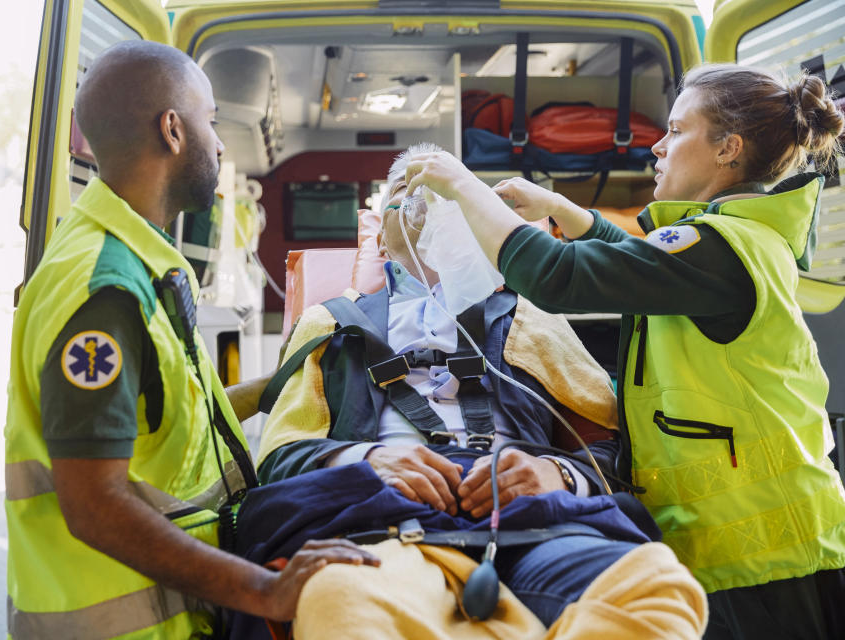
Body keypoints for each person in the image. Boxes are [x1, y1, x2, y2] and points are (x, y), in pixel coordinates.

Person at [403, 64, 845, 639]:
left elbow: (558, 277)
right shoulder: (732, 236)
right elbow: (643, 261)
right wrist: (565, 211)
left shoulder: (722, 247)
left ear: (728, 149)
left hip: (768, 558)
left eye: (675, 132)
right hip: (747, 545)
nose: (656, 149)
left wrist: (461, 184)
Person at [241, 143, 708, 638]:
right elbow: (281, 455)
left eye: (437, 185)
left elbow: (613, 445)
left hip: (535, 521)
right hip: (388, 523)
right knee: (340, 602)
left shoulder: (528, 314)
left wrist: (555, 474)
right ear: (379, 242)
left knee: (657, 588)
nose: (421, 195)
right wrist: (366, 459)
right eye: (404, 188)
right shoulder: (330, 323)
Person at [3, 40, 377, 639]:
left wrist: (285, 380)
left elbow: (171, 427)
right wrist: (265, 591)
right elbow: (93, 503)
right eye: (211, 121)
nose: (221, 142)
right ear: (173, 131)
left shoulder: (134, 260)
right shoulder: (106, 290)